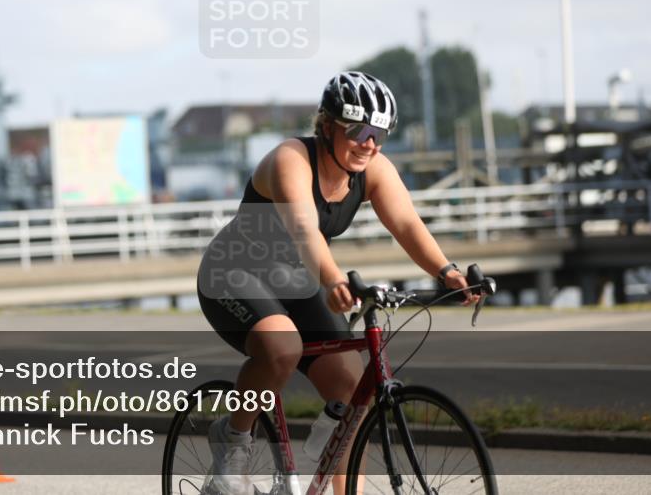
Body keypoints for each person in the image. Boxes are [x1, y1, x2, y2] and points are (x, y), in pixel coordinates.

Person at [196, 71, 478, 495]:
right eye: (359, 130)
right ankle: (232, 439)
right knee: (281, 347)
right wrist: (332, 279)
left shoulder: (374, 168)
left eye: (380, 134)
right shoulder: (289, 159)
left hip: (296, 278)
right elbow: (305, 230)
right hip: (234, 272)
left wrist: (446, 272)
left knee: (351, 389)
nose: (370, 143)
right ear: (327, 125)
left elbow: (405, 222)